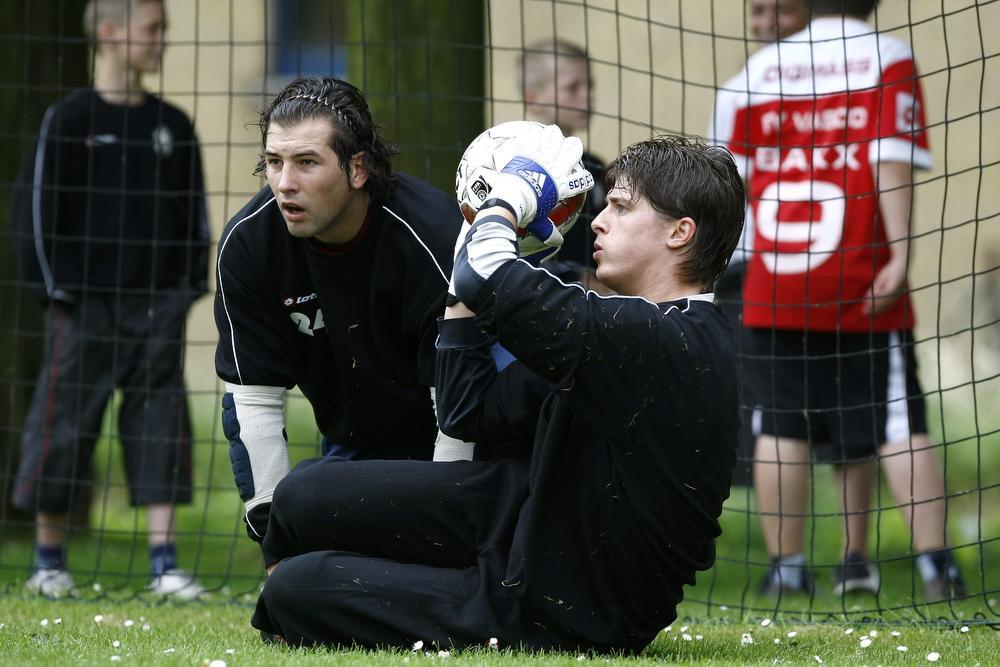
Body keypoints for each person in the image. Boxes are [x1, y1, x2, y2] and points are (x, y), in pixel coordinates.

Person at [248, 129, 746, 652]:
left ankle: (294, 609)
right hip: (528, 518)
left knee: (296, 589)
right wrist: (466, 269)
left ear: (680, 233)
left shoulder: (661, 338)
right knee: (302, 494)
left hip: (564, 606)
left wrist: (511, 196)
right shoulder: (628, 326)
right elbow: (469, 410)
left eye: (620, 208)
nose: (597, 219)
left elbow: (490, 274)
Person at [712, 0, 966, 600]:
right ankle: (937, 566)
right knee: (898, 418)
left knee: (779, 421)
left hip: (773, 277)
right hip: (858, 272)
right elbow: (891, 160)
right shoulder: (887, 56)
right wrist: (901, 255)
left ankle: (787, 568)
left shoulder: (749, 78)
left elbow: (727, 186)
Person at [10, 0, 209, 598]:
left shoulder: (173, 125)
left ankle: (165, 566)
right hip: (83, 308)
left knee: (160, 424)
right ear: (109, 33)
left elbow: (195, 222)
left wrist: (182, 293)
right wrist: (60, 292)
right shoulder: (68, 118)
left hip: (155, 309)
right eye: (154, 29)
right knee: (63, 423)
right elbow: (38, 213)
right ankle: (49, 563)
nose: (163, 40)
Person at [215, 76, 467, 545]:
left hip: (459, 451)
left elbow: (460, 408)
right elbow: (253, 405)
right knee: (302, 543)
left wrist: (445, 528)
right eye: (274, 162)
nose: (285, 184)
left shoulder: (433, 238)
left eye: (307, 163)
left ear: (357, 169)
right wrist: (276, 545)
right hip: (352, 452)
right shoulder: (248, 247)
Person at [709, 0, 810, 487]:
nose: (767, 22)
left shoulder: (834, 84)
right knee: (762, 394)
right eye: (757, 10)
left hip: (797, 262)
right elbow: (719, 181)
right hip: (748, 265)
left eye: (782, 11)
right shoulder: (737, 90)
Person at [521, 38, 608, 291]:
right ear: (533, 99)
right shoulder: (521, 165)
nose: (587, 97)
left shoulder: (595, 167)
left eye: (589, 86)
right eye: (573, 88)